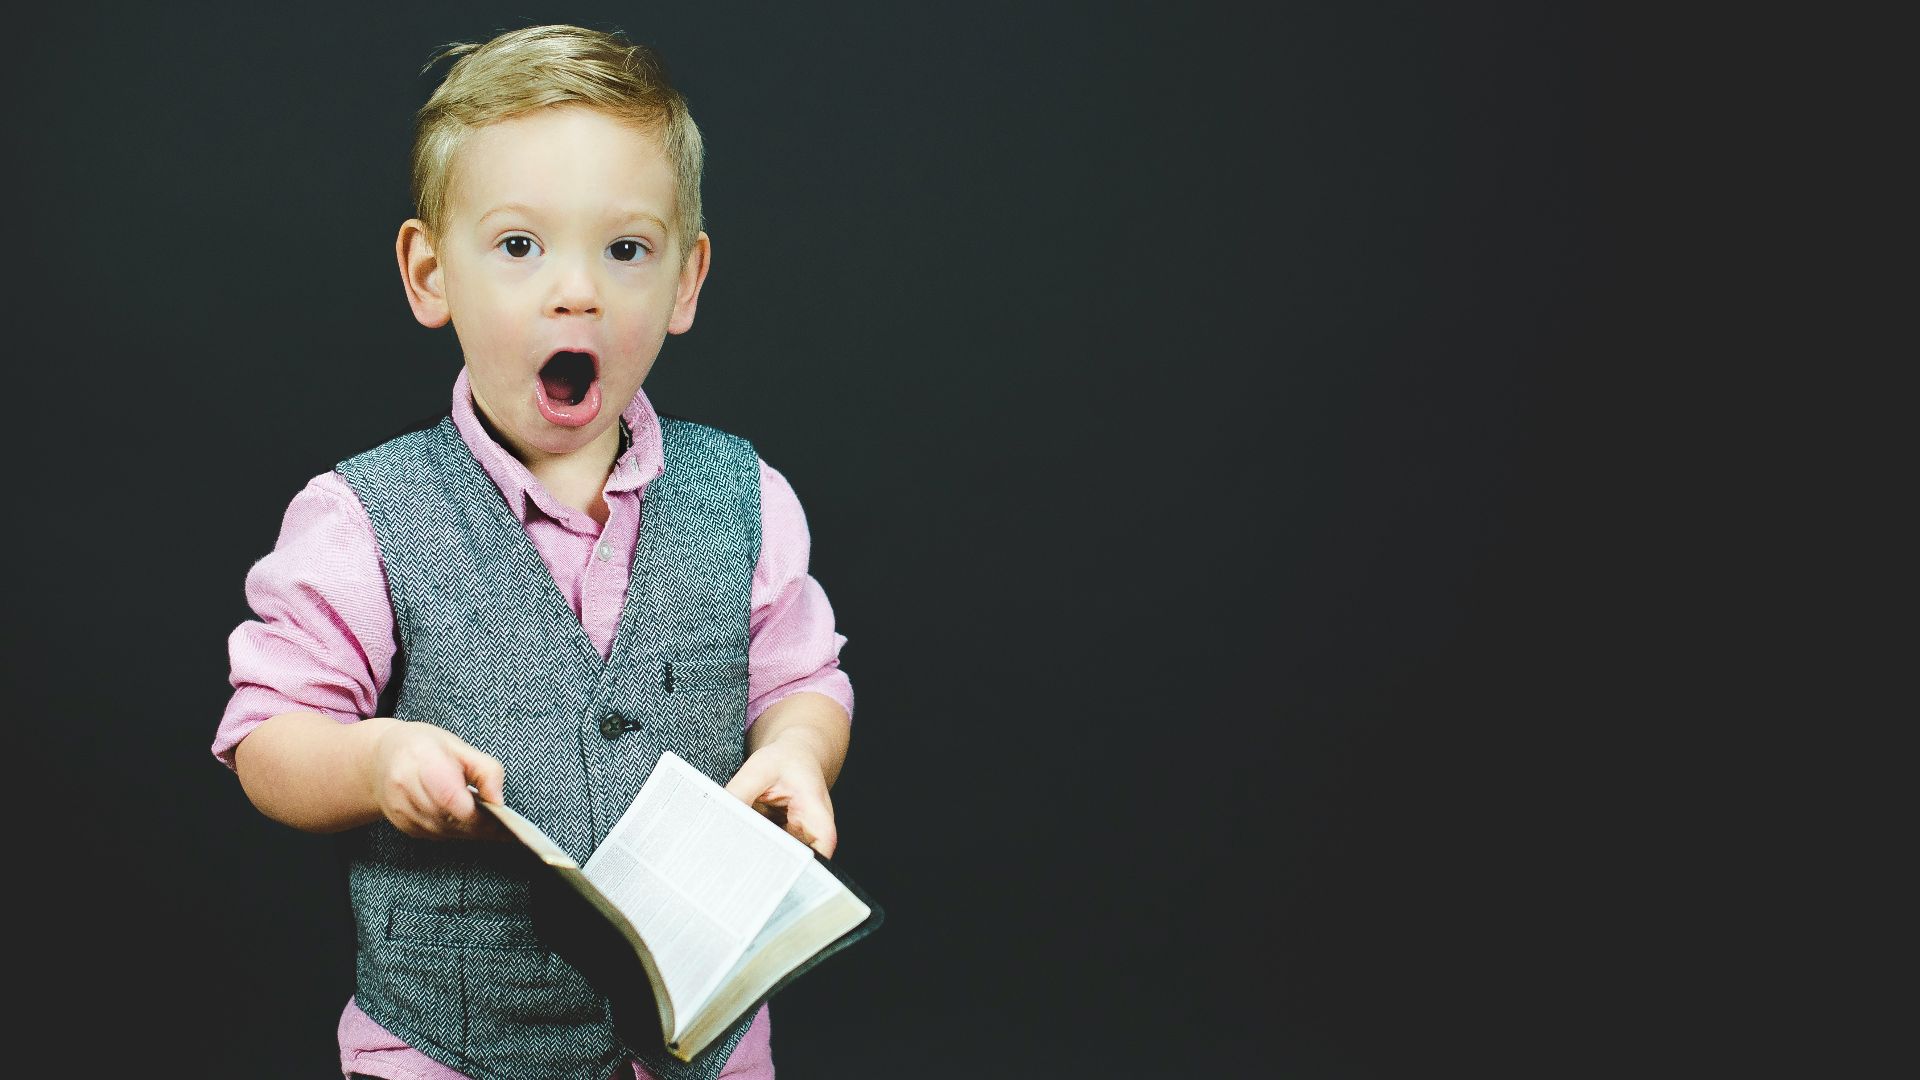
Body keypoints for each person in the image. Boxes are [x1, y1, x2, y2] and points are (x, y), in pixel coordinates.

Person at [211, 24, 854, 1080]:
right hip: (450, 1050)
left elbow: (805, 679)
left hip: (702, 1043)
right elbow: (267, 736)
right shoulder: (361, 517)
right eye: (519, 246)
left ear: (685, 284)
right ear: (431, 274)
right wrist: (375, 762)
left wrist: (795, 750)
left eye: (626, 249)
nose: (577, 292)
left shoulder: (746, 496)